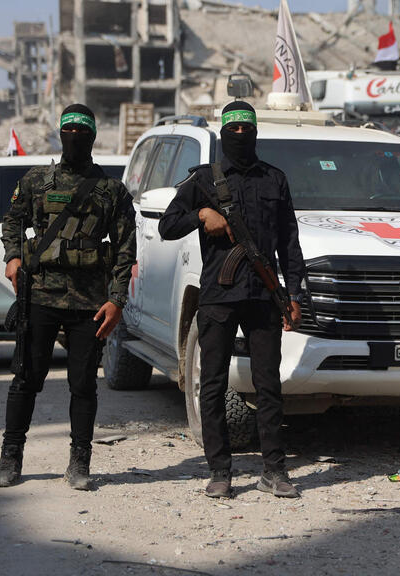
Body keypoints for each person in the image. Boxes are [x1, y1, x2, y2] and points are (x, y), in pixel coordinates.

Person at [159, 101, 305, 499]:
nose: (240, 135)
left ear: (256, 132)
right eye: (233, 129)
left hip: (263, 296)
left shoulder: (275, 179)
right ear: (223, 133)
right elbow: (167, 225)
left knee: (268, 384)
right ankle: (219, 471)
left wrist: (293, 294)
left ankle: (274, 471)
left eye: (247, 128)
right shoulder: (204, 180)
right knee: (213, 385)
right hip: (218, 296)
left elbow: (290, 243)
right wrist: (201, 215)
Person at [0, 104, 137, 491]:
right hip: (39, 296)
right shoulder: (38, 180)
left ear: (92, 136)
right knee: (25, 378)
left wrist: (117, 300)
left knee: (83, 384)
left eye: (81, 130)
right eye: (68, 129)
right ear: (61, 134)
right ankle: (10, 455)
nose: (75, 136)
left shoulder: (111, 190)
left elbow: (125, 249)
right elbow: (12, 220)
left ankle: (79, 461)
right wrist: (13, 256)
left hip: (90, 303)